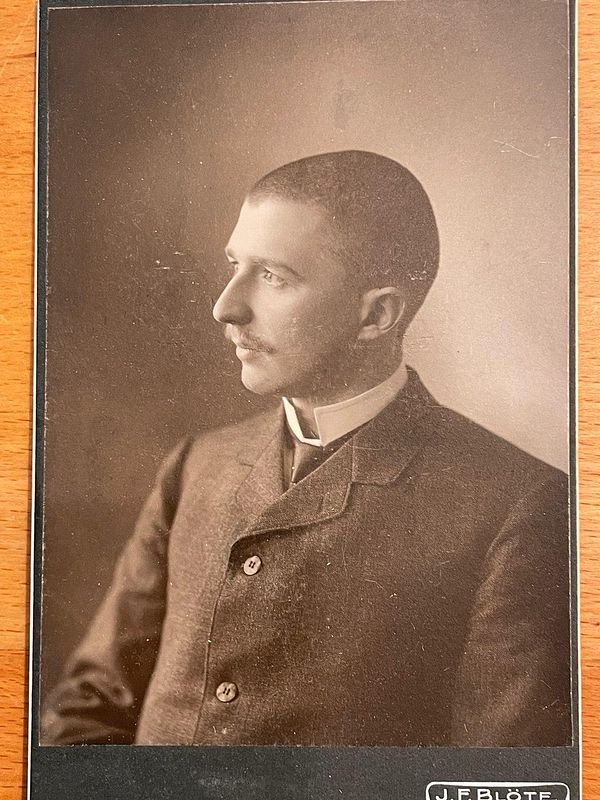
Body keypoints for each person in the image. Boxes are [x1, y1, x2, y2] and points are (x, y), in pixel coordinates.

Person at [42, 150, 571, 747]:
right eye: (235, 265)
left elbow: (494, 778)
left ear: (377, 316)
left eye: (273, 277)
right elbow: (87, 714)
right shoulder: (197, 466)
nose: (226, 306)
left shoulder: (517, 506)